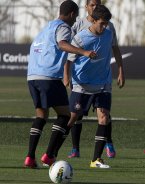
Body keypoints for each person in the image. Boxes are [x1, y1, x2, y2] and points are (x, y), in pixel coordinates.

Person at [24, 0, 96, 168]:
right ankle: (49, 156)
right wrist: (84, 52)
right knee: (65, 116)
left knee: (41, 116)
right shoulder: (63, 27)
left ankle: (29, 157)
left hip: (33, 77)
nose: (75, 20)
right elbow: (62, 44)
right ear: (71, 14)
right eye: (75, 16)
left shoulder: (47, 27)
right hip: (49, 77)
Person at [64, 0, 124, 159]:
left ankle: (105, 147)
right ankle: (70, 148)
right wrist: (67, 75)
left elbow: (115, 48)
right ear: (86, 7)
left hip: (102, 80)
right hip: (82, 80)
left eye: (97, 5)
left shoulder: (108, 28)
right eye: (92, 5)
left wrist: (120, 70)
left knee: (104, 115)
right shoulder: (78, 26)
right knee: (75, 116)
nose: (95, 7)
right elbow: (69, 52)